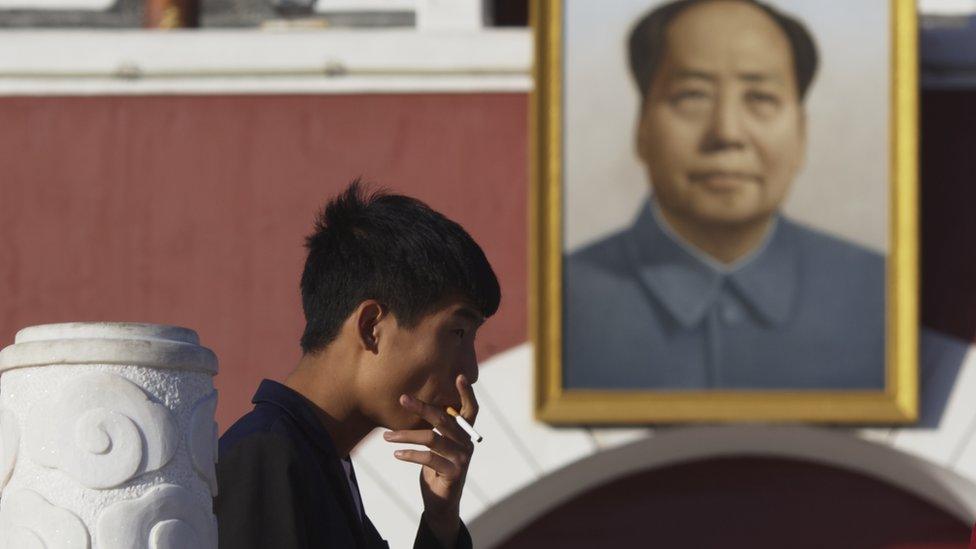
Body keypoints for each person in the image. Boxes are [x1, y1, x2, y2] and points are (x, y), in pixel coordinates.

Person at [564, 0, 885, 390]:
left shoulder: (879, 295)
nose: (727, 133)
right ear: (642, 127)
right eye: (692, 96)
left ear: (801, 134)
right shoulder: (564, 300)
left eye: (761, 99)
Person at [215, 181, 500, 548]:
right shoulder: (266, 460)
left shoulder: (322, 460)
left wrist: (441, 519)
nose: (470, 370)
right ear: (371, 327)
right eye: (458, 332)